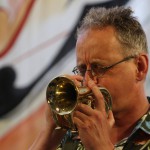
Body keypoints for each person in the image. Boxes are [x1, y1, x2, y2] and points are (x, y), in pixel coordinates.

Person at [29, 6, 150, 150]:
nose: (87, 81)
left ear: (140, 67)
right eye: (81, 70)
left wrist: (100, 146)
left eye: (99, 68)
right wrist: (48, 136)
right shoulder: (75, 132)